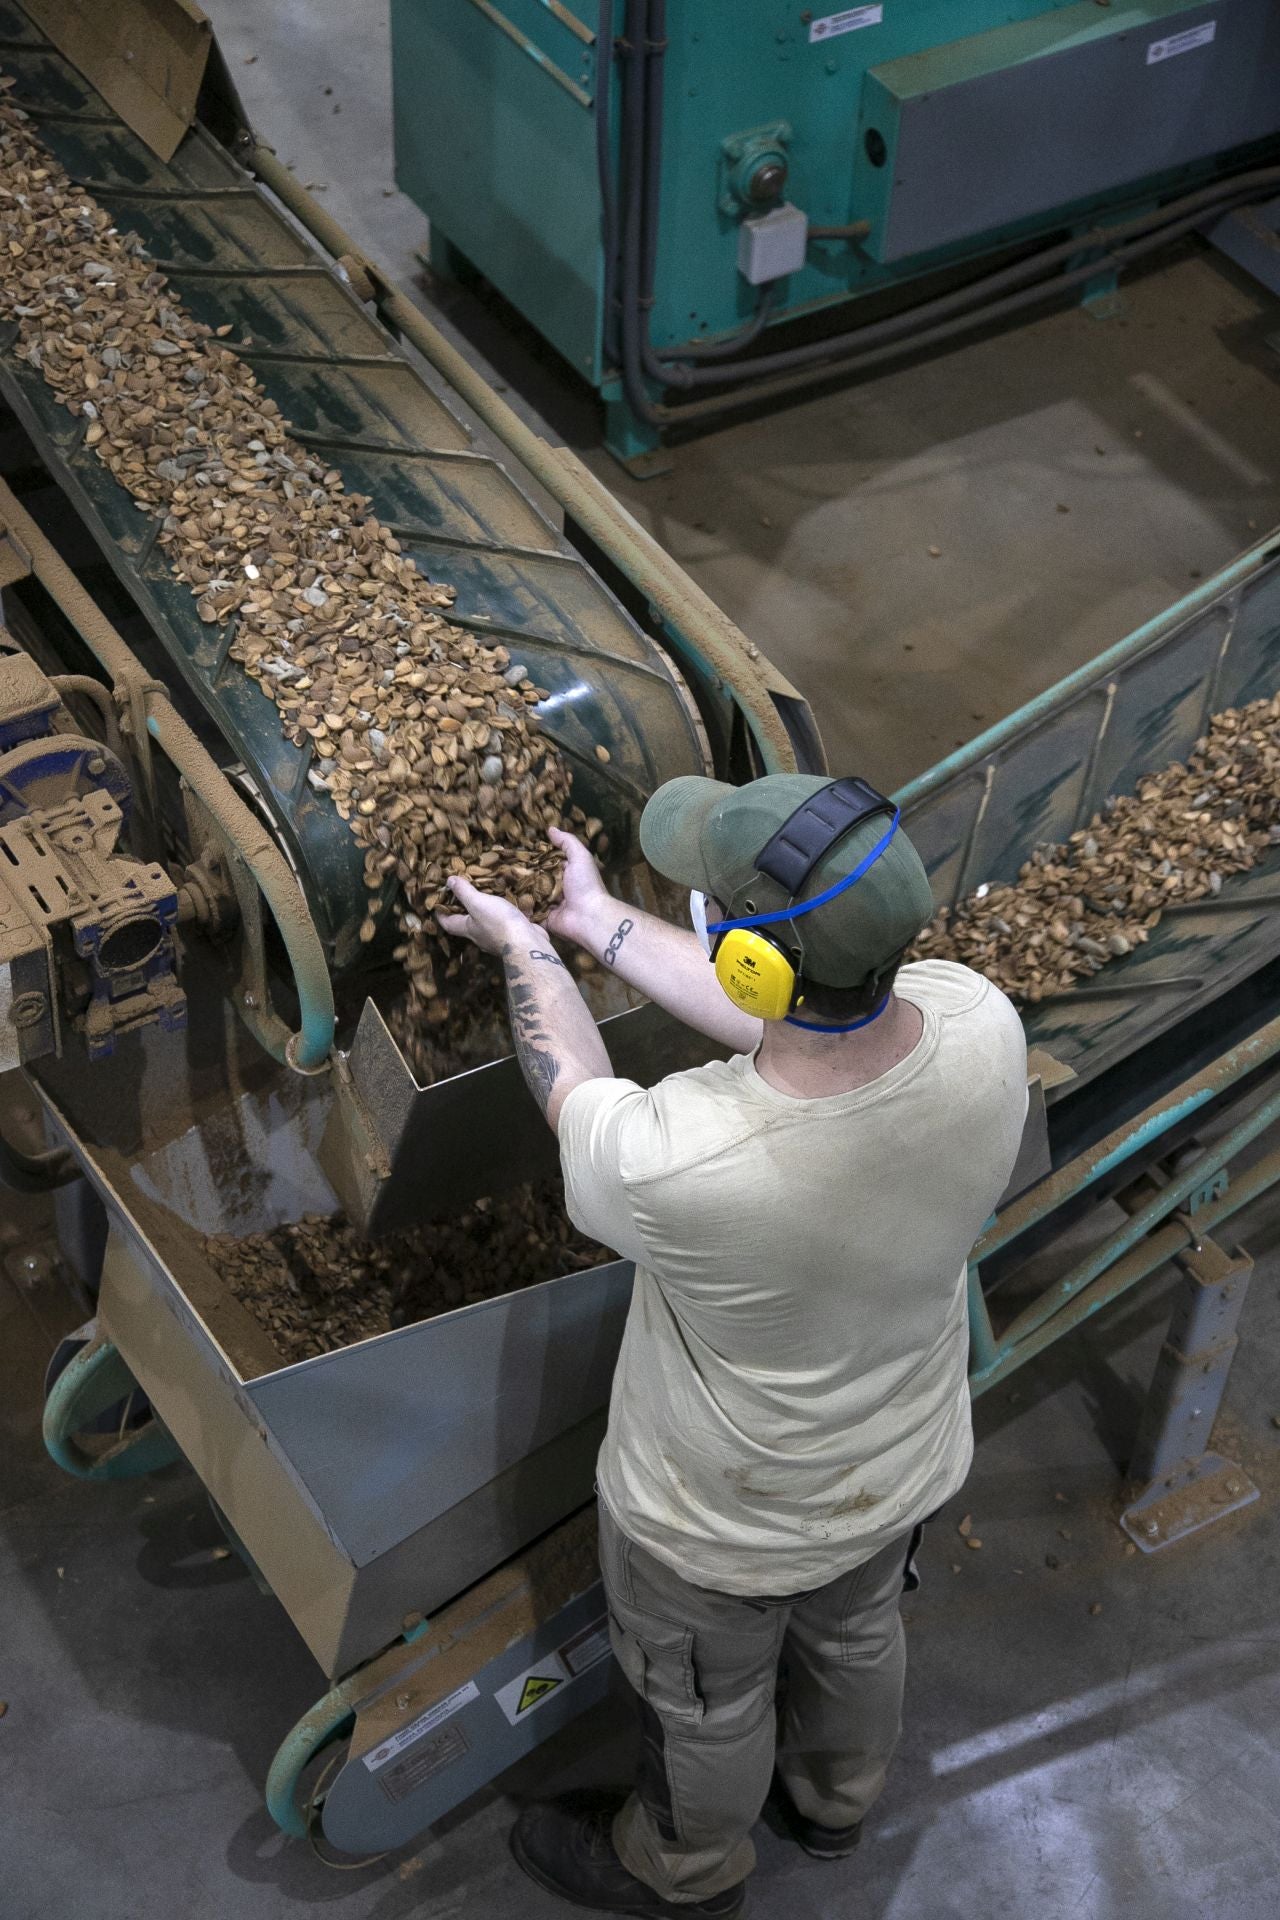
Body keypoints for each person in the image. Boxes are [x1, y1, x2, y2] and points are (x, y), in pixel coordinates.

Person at [439, 772, 1028, 1919]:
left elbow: (572, 1087)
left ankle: (686, 1870)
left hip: (720, 1523)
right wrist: (594, 918)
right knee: (857, 1637)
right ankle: (833, 1805)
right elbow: (805, 1022)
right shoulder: (977, 1021)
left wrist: (524, 950)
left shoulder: (683, 1163)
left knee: (702, 1702)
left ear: (748, 961)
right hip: (894, 1465)